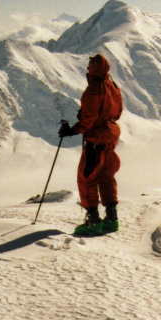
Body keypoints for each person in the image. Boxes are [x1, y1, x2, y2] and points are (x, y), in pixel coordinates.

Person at [58, 54, 123, 235]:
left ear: (94, 68)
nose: (87, 68)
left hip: (96, 138)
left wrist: (71, 130)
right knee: (106, 176)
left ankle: (93, 220)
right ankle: (112, 218)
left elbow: (89, 119)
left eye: (89, 65)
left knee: (87, 178)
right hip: (110, 135)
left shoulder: (93, 90)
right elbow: (117, 111)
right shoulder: (112, 85)